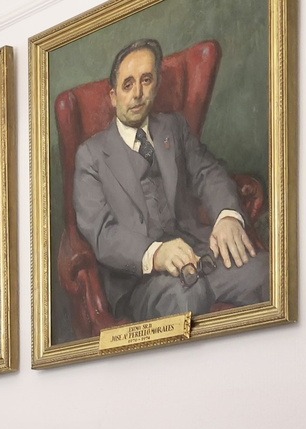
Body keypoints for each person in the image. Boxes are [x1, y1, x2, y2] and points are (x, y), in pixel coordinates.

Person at [72, 38, 270, 325]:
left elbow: (208, 171)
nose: (138, 94)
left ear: (156, 84)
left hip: (201, 253)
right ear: (113, 96)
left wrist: (227, 215)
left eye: (146, 80)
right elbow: (103, 233)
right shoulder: (90, 155)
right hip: (141, 280)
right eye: (128, 85)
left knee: (265, 270)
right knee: (187, 297)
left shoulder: (173, 127)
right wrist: (155, 253)